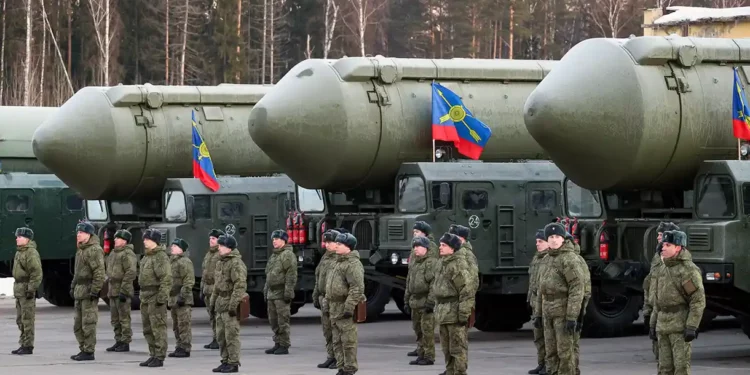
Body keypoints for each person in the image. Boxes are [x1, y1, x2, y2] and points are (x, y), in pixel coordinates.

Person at [649, 230, 705, 375]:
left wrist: (692, 325)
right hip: (662, 326)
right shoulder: (662, 268)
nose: (663, 247)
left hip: (679, 326)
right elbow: (657, 300)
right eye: (663, 244)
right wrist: (652, 324)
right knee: (664, 369)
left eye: (668, 245)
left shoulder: (687, 270)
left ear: (678, 247)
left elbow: (697, 300)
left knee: (681, 369)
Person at [534, 222, 584, 375]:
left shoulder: (569, 259)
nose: (554, 240)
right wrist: (538, 314)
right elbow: (541, 289)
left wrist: (572, 316)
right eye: (551, 237)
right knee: (551, 351)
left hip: (562, 310)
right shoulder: (546, 259)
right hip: (547, 309)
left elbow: (576, 288)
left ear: (563, 239)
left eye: (557, 236)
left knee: (565, 351)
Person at [326, 232, 365, 375]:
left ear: (348, 247)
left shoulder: (352, 264)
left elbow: (357, 288)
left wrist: (349, 307)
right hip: (334, 306)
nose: (336, 245)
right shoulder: (336, 262)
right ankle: (341, 367)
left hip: (344, 306)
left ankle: (349, 368)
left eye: (340, 244)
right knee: (337, 340)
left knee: (348, 341)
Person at [433, 232, 472, 375]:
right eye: (440, 245)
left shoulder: (457, 265)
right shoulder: (442, 263)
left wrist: (463, 313)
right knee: (446, 348)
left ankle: (460, 372)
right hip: (443, 312)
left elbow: (466, 291)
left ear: (453, 248)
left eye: (444, 245)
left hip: (454, 312)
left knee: (457, 348)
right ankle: (450, 371)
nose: (440, 248)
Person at [211, 234, 248, 373]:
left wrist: (233, 305)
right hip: (221, 303)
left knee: (231, 335)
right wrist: (213, 301)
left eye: (221, 246)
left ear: (229, 248)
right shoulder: (221, 262)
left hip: (229, 303)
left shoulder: (236, 263)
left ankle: (233, 362)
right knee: (221, 335)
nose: (218, 248)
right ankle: (225, 360)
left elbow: (239, 285)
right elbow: (217, 284)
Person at [643, 221, 680, 361]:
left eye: (660, 235)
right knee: (661, 358)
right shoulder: (657, 257)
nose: (658, 238)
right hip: (657, 313)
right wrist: (647, 311)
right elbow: (650, 285)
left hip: (674, 317)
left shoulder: (679, 261)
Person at [70, 221, 106, 361]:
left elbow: (99, 272)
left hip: (89, 290)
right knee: (78, 324)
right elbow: (77, 273)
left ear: (89, 234)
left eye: (81, 233)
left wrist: (95, 290)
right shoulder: (81, 250)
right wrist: (73, 287)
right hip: (80, 290)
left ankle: (89, 350)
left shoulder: (94, 250)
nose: (78, 235)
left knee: (88, 323)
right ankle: (83, 348)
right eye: (77, 232)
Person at [138, 228, 172, 368]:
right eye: (144, 239)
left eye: (147, 239)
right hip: (145, 296)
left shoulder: (160, 257)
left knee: (158, 327)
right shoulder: (147, 256)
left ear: (155, 241)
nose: (145, 241)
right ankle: (152, 354)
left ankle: (159, 356)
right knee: (147, 328)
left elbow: (166, 278)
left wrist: (162, 297)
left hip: (155, 295)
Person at [404, 235, 439, 366]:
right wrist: (406, 300)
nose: (416, 249)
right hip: (415, 301)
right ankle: (421, 353)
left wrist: (430, 302)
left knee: (427, 331)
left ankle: (429, 356)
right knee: (418, 330)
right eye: (414, 247)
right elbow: (409, 282)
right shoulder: (414, 263)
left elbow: (433, 284)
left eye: (418, 246)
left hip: (425, 302)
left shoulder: (431, 263)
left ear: (426, 248)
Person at [264, 229, 298, 355]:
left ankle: (284, 344)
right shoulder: (275, 255)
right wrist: (266, 290)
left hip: (281, 292)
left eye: (277, 239)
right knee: (273, 320)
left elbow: (291, 275)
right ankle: (277, 342)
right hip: (272, 293)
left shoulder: (287, 255)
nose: (274, 241)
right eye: (273, 239)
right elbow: (269, 274)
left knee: (282, 320)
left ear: (283, 240)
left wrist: (288, 292)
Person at [105, 229, 137, 353]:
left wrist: (124, 290)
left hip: (122, 289)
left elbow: (130, 272)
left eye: (118, 238)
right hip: (113, 289)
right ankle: (118, 340)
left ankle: (125, 342)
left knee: (124, 317)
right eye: (115, 238)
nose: (115, 240)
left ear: (125, 241)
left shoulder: (128, 254)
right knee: (115, 318)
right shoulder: (113, 253)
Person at [312, 229, 341, 369]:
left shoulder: (339, 259)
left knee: (336, 331)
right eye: (326, 242)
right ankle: (331, 356)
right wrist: (316, 294)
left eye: (330, 242)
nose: (327, 244)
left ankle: (339, 358)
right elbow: (319, 277)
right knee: (327, 330)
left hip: (334, 299)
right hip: (324, 298)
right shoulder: (325, 257)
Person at [11, 227, 42, 355]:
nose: (17, 238)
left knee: (27, 319)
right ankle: (23, 343)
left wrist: (31, 289)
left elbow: (36, 273)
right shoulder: (19, 252)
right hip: (19, 290)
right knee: (20, 319)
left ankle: (28, 345)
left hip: (26, 290)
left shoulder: (31, 253)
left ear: (27, 239)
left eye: (20, 236)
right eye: (17, 236)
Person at [168, 238, 195, 358]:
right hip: (173, 298)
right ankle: (179, 346)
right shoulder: (172, 261)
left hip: (182, 299)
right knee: (176, 325)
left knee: (184, 324)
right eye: (172, 245)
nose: (172, 247)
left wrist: (182, 297)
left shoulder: (184, 262)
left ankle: (185, 347)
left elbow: (188, 281)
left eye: (175, 246)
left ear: (181, 249)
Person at [527, 229, 549, 375]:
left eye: (540, 241)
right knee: (539, 336)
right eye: (536, 242)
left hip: (546, 304)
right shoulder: (537, 258)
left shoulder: (550, 259)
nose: (537, 244)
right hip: (536, 303)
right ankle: (541, 363)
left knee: (549, 338)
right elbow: (533, 282)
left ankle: (549, 365)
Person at [201, 229, 225, 350]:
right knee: (212, 316)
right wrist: (202, 289)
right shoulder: (209, 254)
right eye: (210, 238)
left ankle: (219, 339)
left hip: (216, 290)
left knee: (218, 316)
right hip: (208, 289)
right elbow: (204, 272)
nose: (211, 241)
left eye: (214, 239)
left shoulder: (221, 254)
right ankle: (215, 338)